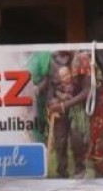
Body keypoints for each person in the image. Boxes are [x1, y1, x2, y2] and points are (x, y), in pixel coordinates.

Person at [35, 51, 90, 179]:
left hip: (76, 109)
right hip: (59, 109)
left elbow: (86, 90)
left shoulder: (81, 58)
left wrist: (63, 106)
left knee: (77, 139)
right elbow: (50, 85)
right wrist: (51, 102)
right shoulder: (51, 60)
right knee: (60, 141)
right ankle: (62, 171)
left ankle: (80, 169)